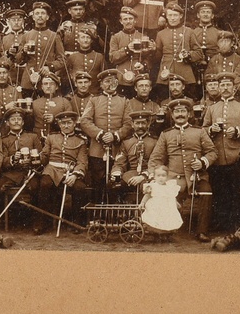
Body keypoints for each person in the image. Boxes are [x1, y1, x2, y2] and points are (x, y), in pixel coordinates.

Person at [150, 98, 217, 241]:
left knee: (207, 192)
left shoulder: (199, 131)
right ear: (172, 115)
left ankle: (202, 231)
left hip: (196, 177)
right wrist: (154, 177)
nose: (180, 114)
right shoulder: (166, 134)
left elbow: (212, 152)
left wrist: (202, 162)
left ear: (189, 114)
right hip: (174, 178)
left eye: (183, 111)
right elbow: (156, 157)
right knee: (164, 193)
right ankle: (166, 229)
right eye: (176, 112)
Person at [202, 73, 240, 230]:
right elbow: (203, 130)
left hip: (236, 157)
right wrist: (211, 130)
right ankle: (220, 224)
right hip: (217, 158)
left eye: (228, 85)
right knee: (219, 193)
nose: (225, 88)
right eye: (222, 85)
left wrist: (238, 131)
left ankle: (235, 225)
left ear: (234, 88)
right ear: (218, 88)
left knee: (235, 192)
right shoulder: (212, 108)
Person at [34, 110, 90, 234]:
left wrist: (75, 175)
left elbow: (82, 162)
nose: (66, 126)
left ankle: (76, 222)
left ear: (74, 123)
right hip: (52, 170)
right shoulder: (51, 137)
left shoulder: (81, 140)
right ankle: (43, 222)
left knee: (80, 188)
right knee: (44, 184)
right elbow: (45, 156)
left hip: (70, 172)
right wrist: (37, 159)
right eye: (63, 123)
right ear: (59, 124)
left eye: (69, 123)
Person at [80, 69, 130, 197]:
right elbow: (85, 121)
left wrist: (115, 135)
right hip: (97, 149)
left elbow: (129, 123)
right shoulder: (94, 100)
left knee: (116, 182)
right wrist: (101, 134)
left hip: (117, 149)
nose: (110, 84)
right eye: (106, 81)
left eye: (113, 81)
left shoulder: (124, 101)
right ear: (101, 84)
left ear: (117, 83)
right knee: (98, 182)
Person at [15, 1, 66, 94]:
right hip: (28, 81)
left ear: (47, 17)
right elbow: (18, 60)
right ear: (33, 17)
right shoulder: (26, 36)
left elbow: (62, 60)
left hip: (47, 80)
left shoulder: (54, 36)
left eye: (43, 13)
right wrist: (23, 52)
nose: (40, 16)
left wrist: (49, 67)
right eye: (37, 13)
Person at [108, 6, 155, 93]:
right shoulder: (116, 37)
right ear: (121, 21)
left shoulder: (143, 37)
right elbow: (112, 58)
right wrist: (127, 49)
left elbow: (149, 57)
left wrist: (144, 65)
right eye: (125, 19)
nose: (128, 21)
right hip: (122, 77)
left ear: (135, 20)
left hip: (139, 77)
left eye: (131, 19)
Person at [153, 3, 196, 96]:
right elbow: (157, 56)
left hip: (185, 72)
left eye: (175, 15)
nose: (172, 18)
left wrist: (188, 55)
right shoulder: (161, 34)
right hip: (166, 71)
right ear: (167, 17)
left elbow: (199, 53)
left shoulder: (189, 32)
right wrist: (153, 50)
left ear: (180, 16)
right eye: (170, 15)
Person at [111, 110, 160, 192]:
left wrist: (144, 175)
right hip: (131, 174)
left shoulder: (155, 141)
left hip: (149, 173)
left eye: (143, 123)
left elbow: (157, 162)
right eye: (137, 123)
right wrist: (116, 172)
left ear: (148, 124)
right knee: (114, 186)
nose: (140, 126)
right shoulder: (126, 142)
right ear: (132, 125)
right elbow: (119, 162)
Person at [204, 30, 240, 95]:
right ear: (217, 44)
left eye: (227, 41)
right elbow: (208, 78)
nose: (224, 44)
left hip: (235, 94)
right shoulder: (214, 59)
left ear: (232, 43)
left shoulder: (239, 59)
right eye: (221, 41)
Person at [140, 165, 184, 232]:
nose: (161, 178)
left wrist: (176, 203)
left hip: (167, 207)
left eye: (163, 176)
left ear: (167, 177)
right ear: (154, 177)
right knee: (156, 218)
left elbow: (171, 196)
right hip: (155, 206)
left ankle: (165, 231)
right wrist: (142, 203)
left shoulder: (169, 186)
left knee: (168, 218)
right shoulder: (152, 186)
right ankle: (156, 230)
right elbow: (147, 196)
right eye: (158, 176)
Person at [30, 73, 72, 140]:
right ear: (42, 87)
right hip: (38, 139)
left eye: (51, 84)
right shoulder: (35, 103)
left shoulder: (64, 102)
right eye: (45, 84)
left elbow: (70, 122)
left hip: (57, 139)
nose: (48, 86)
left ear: (56, 87)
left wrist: (54, 121)